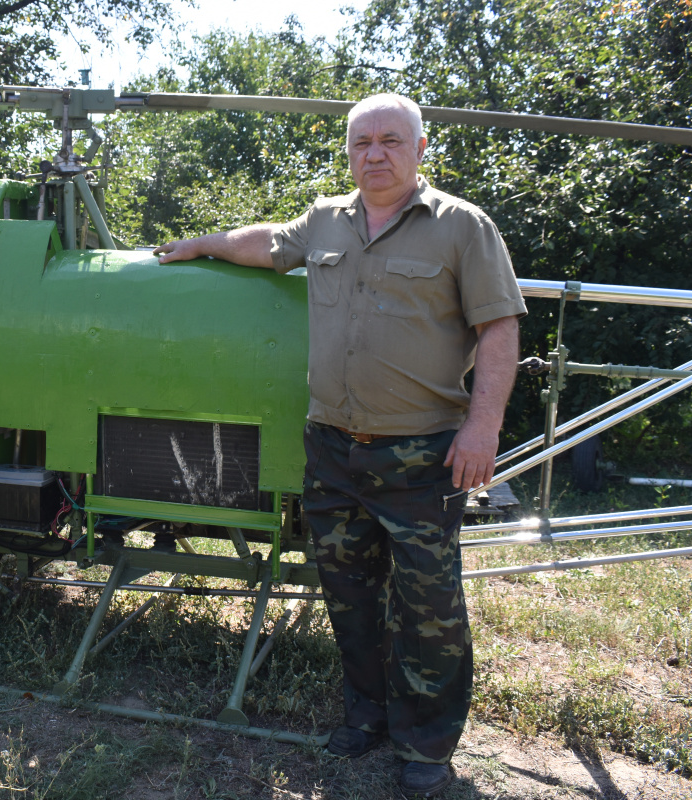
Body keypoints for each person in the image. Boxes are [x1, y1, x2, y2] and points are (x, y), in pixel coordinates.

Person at [153, 93, 525, 798]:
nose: (374, 154)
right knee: (349, 597)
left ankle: (426, 745)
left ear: (419, 149)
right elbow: (269, 246)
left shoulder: (463, 228)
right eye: (361, 143)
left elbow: (500, 329)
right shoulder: (326, 219)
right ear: (348, 152)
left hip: (422, 454)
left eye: (390, 141)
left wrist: (483, 428)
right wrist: (203, 244)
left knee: (429, 608)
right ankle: (368, 716)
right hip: (332, 448)